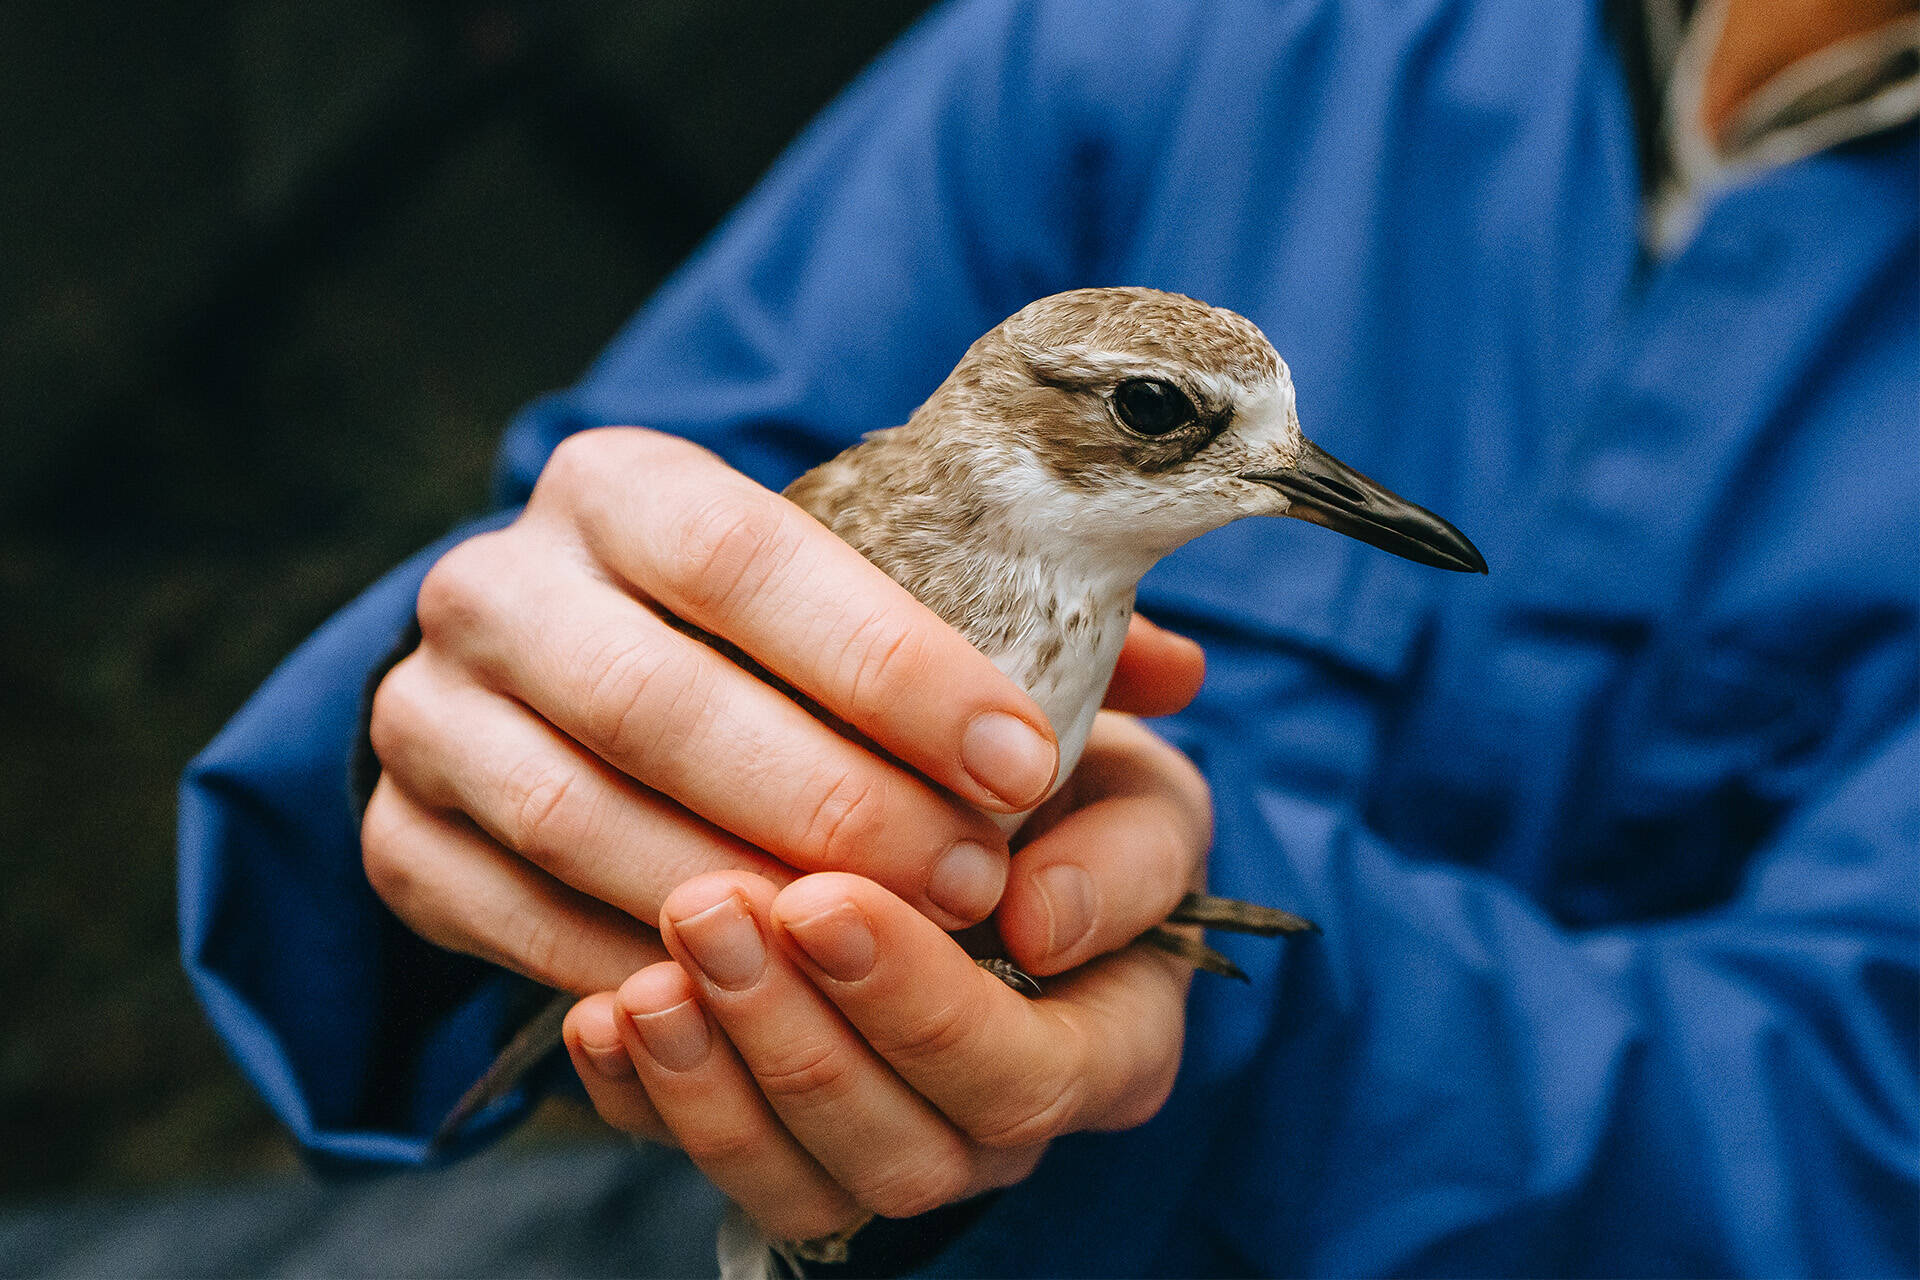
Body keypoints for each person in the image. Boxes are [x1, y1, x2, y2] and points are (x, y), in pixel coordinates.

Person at [179, 0, 1918, 1273]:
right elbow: (581, 535)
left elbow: (1853, 1163)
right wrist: (448, 744)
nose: (1291, 480)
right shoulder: (1126, 38)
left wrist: (1196, 994)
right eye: (1173, 419)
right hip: (663, 1166)